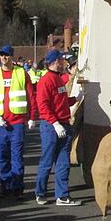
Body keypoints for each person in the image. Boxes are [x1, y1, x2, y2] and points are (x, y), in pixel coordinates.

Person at [0, 44, 36, 199]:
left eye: (6, 55)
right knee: (2, 157)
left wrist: (32, 117)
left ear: (11, 56)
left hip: (17, 122)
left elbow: (31, 96)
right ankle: (5, 186)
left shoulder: (21, 73)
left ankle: (17, 188)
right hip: (1, 124)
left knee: (17, 157)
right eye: (1, 55)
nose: (4, 58)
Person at [34, 50, 83, 206]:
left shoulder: (57, 80)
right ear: (54, 62)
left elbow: (60, 102)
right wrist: (54, 123)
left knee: (63, 162)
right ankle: (40, 193)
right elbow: (43, 106)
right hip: (51, 126)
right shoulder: (46, 81)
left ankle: (62, 195)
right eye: (61, 60)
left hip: (63, 124)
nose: (63, 63)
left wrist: (75, 99)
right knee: (47, 161)